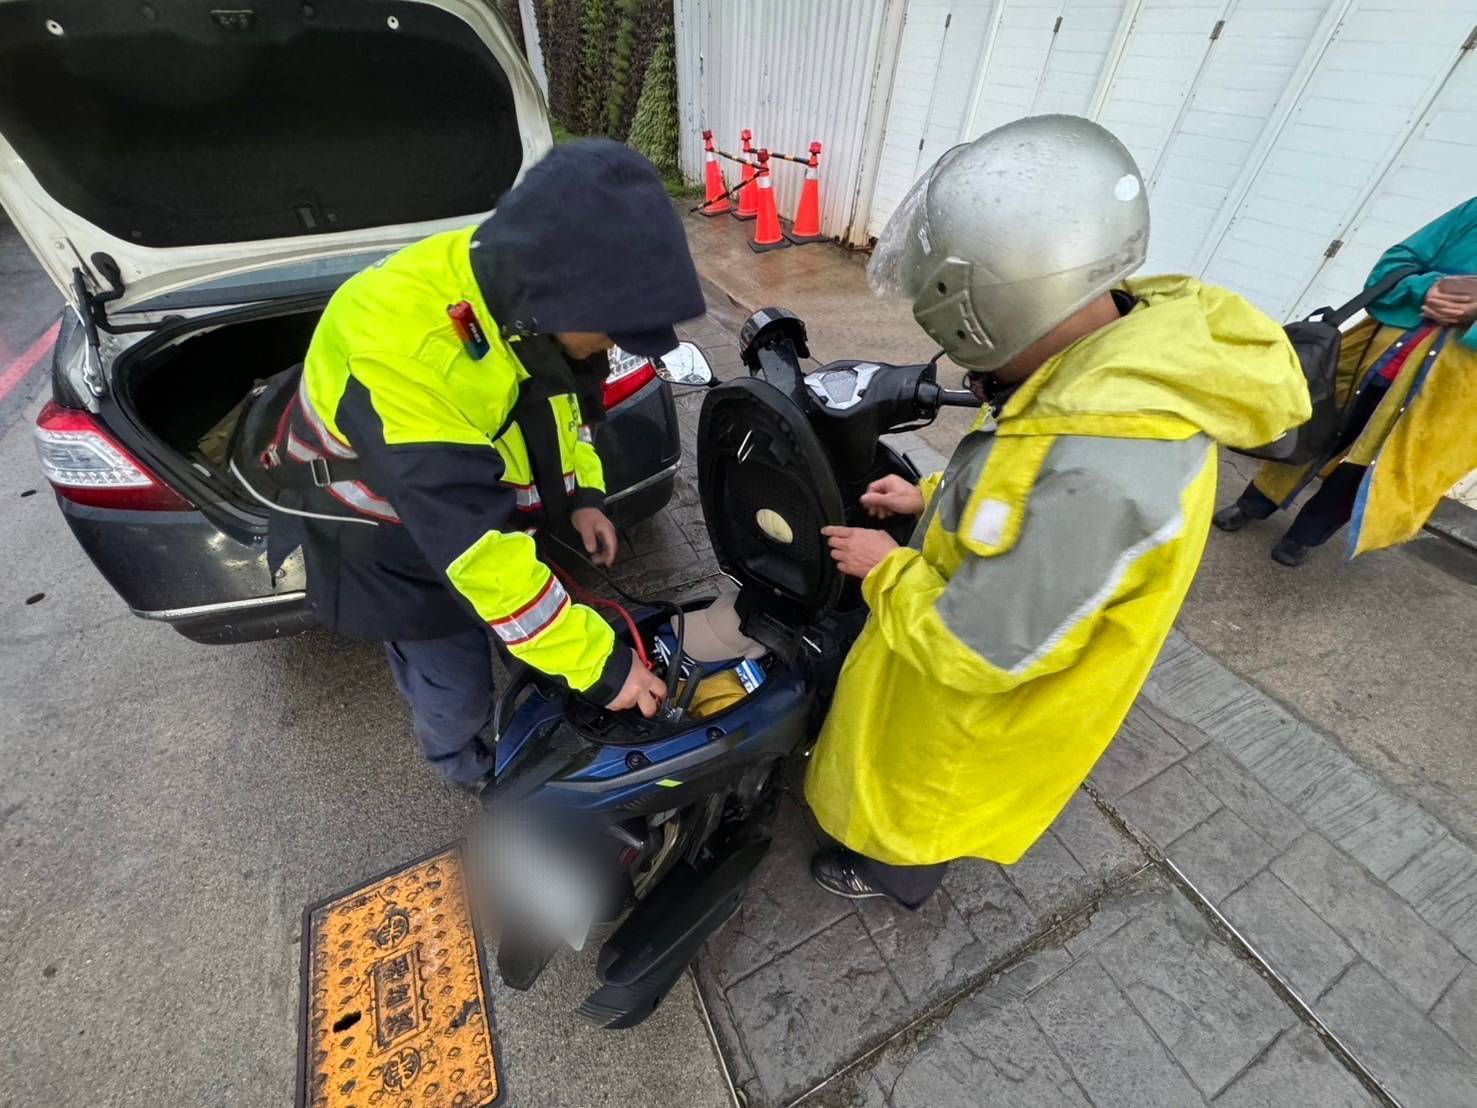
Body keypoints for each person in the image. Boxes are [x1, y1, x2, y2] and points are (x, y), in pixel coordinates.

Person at [802, 116, 1311, 908]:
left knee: (919, 804)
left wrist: (887, 569)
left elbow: (979, 652)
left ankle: (889, 876)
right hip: (978, 627)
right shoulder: (1098, 369)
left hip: (975, 702)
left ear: (988, 309)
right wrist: (930, 499)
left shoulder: (1102, 463)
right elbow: (1016, 502)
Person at [266, 140, 701, 788]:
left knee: (522, 629)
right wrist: (605, 670)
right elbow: (482, 554)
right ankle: (469, 766)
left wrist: (584, 493)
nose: (612, 347)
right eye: (611, 331)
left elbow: (552, 411)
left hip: (449, 510)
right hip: (384, 538)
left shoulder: (515, 285)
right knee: (454, 684)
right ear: (562, 305)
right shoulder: (408, 352)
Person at [1213, 197, 1477, 565]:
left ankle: (1304, 537)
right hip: (1375, 360)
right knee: (1313, 431)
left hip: (1451, 395)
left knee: (1365, 468)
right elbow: (1397, 262)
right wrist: (1430, 287)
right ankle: (1252, 504)